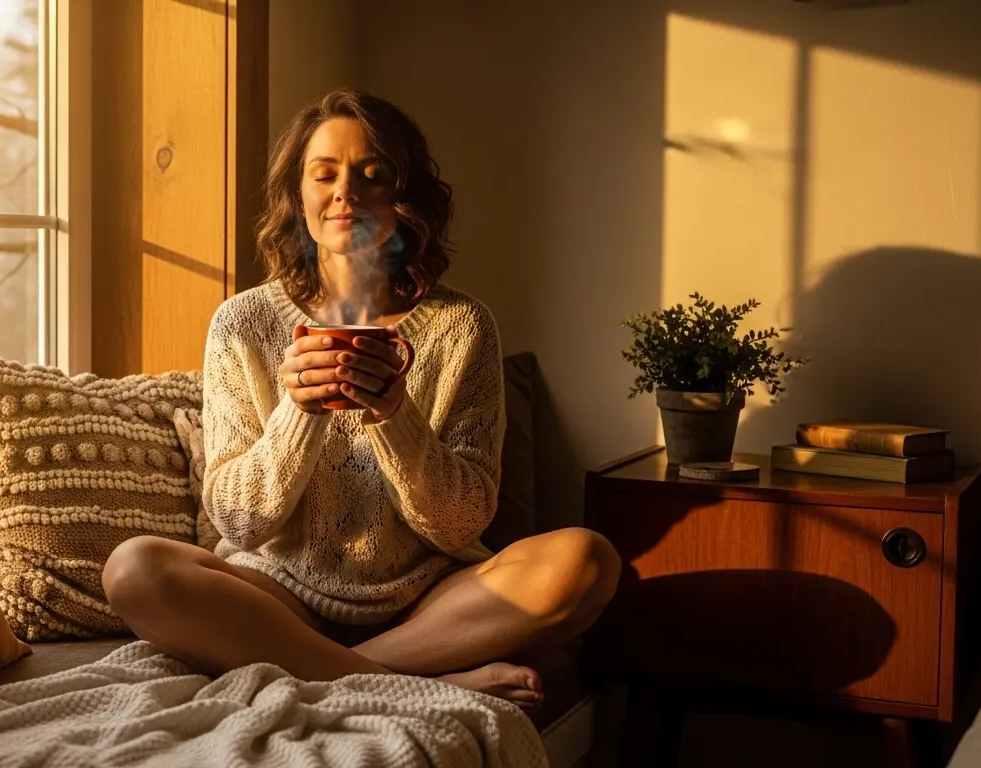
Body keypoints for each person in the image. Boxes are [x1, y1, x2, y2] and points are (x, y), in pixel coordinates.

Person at [102, 88, 620, 709]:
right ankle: (408, 681)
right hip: (278, 597)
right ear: (298, 195)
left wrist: (394, 415)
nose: (345, 192)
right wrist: (299, 412)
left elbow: (463, 523)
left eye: (371, 175)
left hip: (428, 603)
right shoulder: (242, 323)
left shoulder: (461, 326)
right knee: (132, 569)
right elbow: (238, 523)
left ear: (405, 197)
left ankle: (344, 671)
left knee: (588, 560)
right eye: (324, 174)